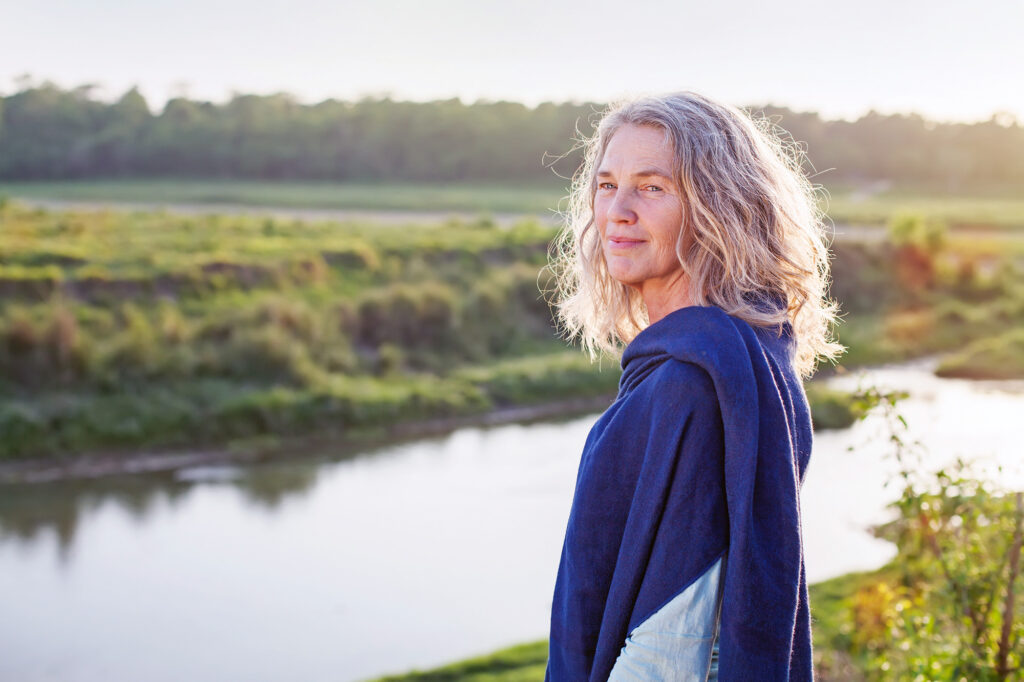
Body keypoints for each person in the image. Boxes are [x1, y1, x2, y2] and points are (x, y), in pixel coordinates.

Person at [544, 92, 843, 681]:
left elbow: (673, 643)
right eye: (606, 185)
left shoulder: (695, 384)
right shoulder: (745, 356)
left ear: (717, 207)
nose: (618, 211)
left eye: (653, 187)